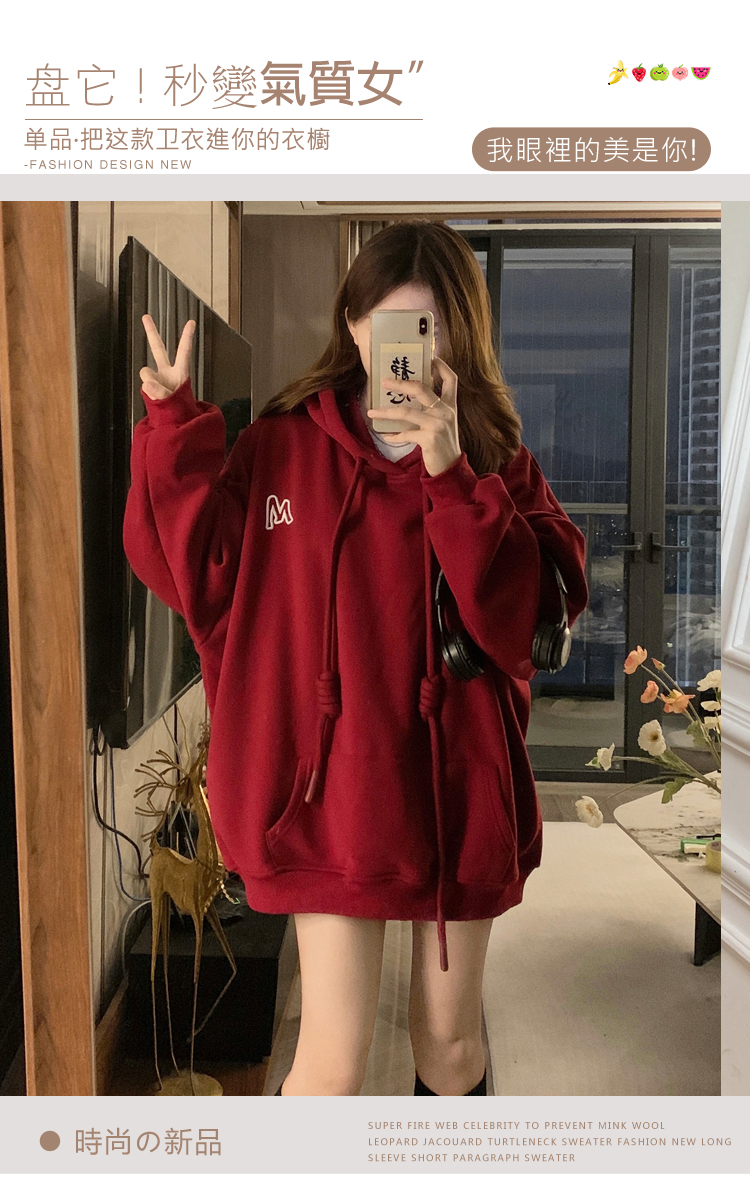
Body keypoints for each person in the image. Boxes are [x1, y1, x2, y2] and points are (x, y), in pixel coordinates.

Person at [123, 220, 588, 1097]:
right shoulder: (283, 445)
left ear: (459, 335)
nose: (403, 351)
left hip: (453, 788)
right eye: (385, 324)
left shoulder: (495, 458)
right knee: (331, 1061)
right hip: (329, 794)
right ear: (351, 325)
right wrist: (175, 427)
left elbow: (528, 621)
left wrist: (453, 476)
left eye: (426, 327)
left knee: (450, 1046)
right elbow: (195, 575)